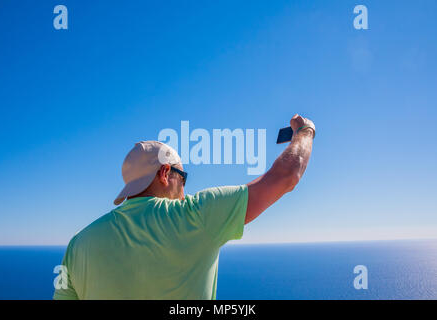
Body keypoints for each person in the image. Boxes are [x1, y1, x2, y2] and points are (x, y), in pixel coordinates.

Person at [53, 114, 315, 300]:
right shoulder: (195, 216)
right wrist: (305, 132)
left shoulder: (79, 243)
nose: (185, 189)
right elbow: (287, 176)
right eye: (183, 177)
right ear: (165, 173)